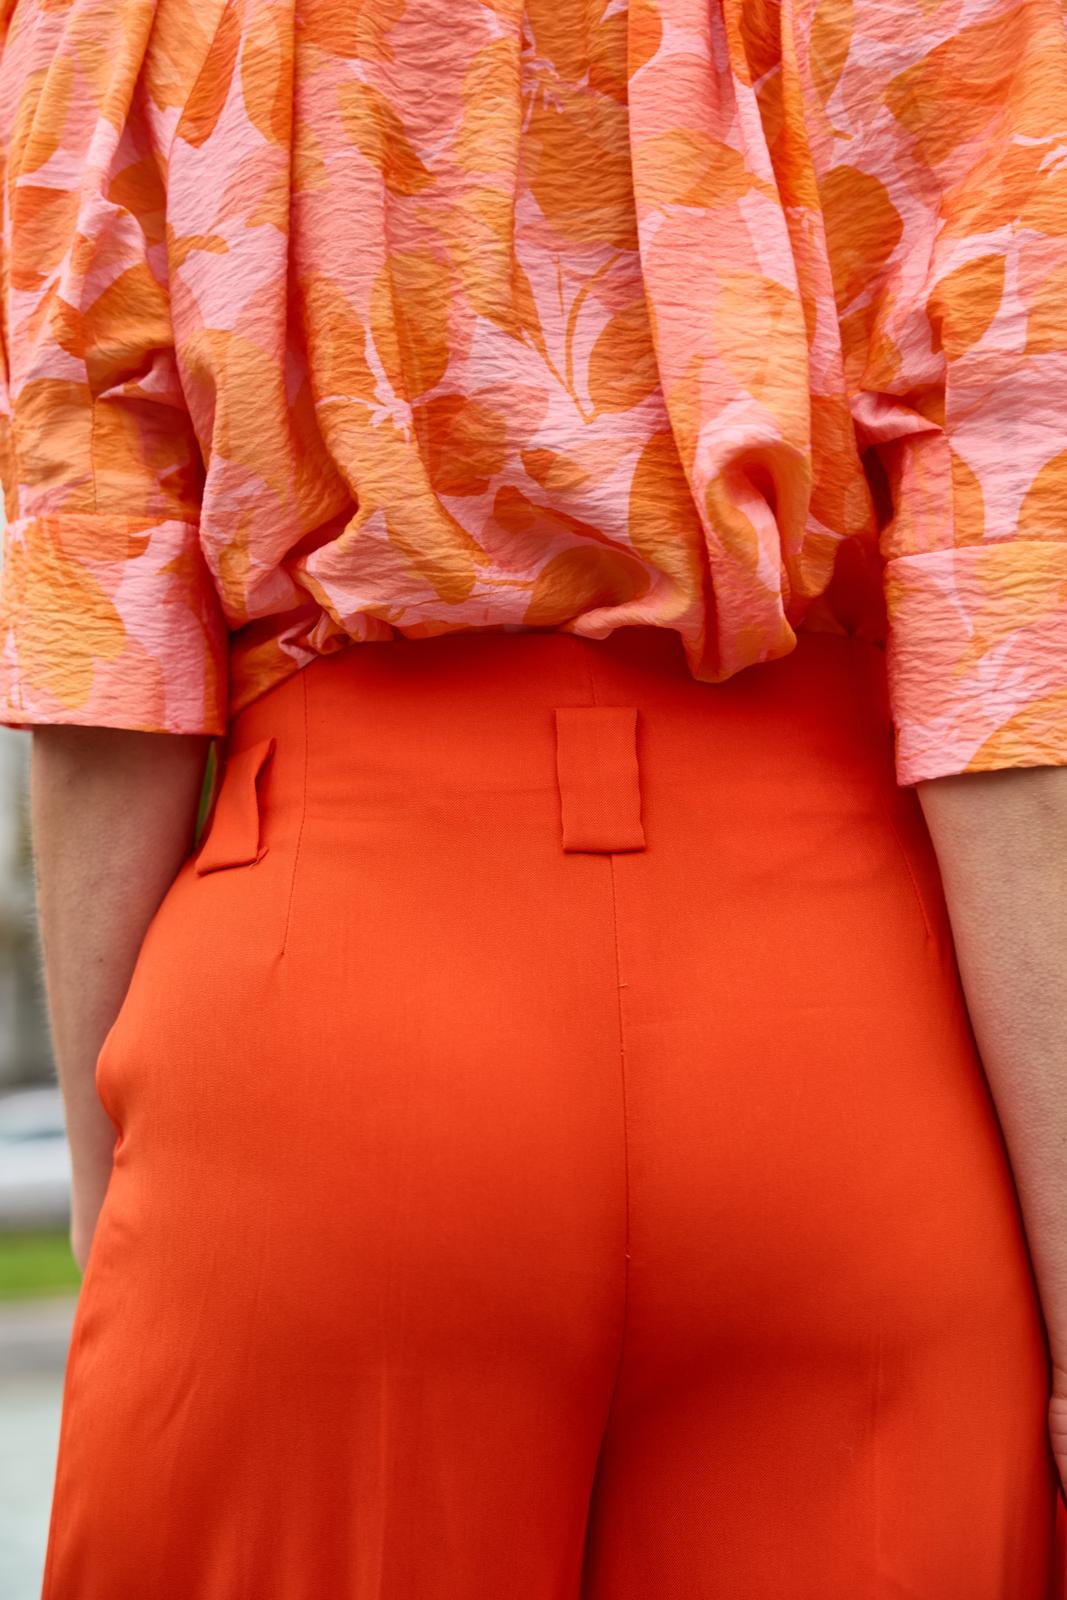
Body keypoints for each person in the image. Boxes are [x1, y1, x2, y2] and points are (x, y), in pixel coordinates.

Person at [1, 0, 1066, 1593]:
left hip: (325, 1011)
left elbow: (102, 589)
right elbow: (1005, 604)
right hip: (845, 1014)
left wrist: (122, 1199)